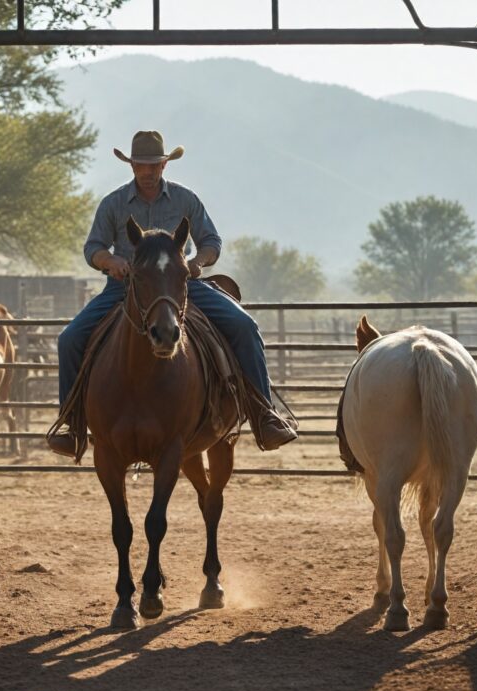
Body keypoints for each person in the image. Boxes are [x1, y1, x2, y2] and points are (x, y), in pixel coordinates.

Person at [48, 130, 298, 457]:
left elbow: (211, 242)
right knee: (69, 339)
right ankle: (72, 425)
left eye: (154, 165)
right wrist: (112, 262)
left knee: (244, 326)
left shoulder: (185, 199)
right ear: (132, 166)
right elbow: (93, 247)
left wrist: (196, 263)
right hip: (126, 287)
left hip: (181, 286)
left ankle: (264, 414)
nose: (148, 171)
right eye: (141, 165)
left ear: (164, 165)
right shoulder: (113, 204)